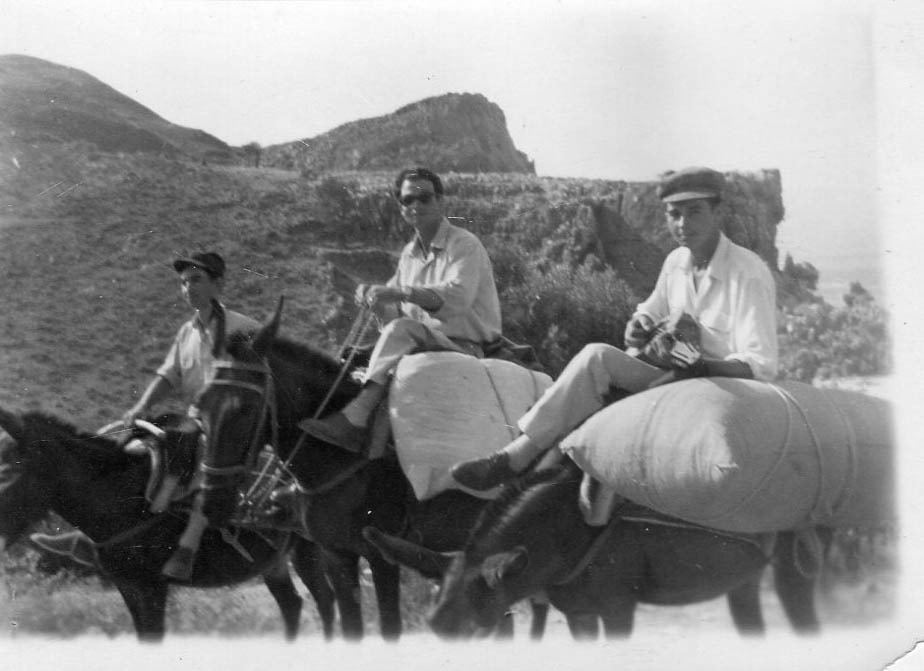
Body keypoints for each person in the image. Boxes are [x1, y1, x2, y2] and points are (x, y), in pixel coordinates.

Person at [451, 166, 778, 492]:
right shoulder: (677, 261)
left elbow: (761, 365)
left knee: (596, 358)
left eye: (694, 212)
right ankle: (540, 466)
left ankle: (517, 458)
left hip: (717, 389)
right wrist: (639, 325)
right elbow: (650, 310)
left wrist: (701, 367)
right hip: (676, 378)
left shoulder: (747, 273)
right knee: (611, 365)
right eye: (674, 214)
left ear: (718, 212)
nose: (682, 224)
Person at [32, 252, 259, 578]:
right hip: (196, 418)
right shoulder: (187, 332)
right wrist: (140, 408)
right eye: (183, 282)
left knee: (195, 449)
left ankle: (186, 545)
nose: (188, 288)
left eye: (196, 280)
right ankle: (92, 535)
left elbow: (263, 382)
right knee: (134, 441)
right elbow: (169, 376)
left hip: (232, 425)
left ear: (218, 284)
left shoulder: (244, 329)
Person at [299, 167, 502, 453]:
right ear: (401, 207)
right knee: (352, 358)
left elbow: (458, 299)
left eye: (424, 197)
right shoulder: (409, 254)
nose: (416, 205)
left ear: (440, 201)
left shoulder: (464, 244)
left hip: (464, 346)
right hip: (424, 344)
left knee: (401, 331)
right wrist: (376, 300)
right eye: (408, 200)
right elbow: (393, 314)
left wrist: (401, 292)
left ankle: (356, 417)